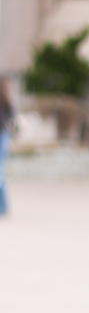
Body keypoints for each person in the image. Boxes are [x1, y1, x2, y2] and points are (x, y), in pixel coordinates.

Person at [0, 79, 13, 217]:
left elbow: (12, 119)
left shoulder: (5, 102)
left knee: (0, 173)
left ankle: (2, 207)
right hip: (3, 135)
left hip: (2, 136)